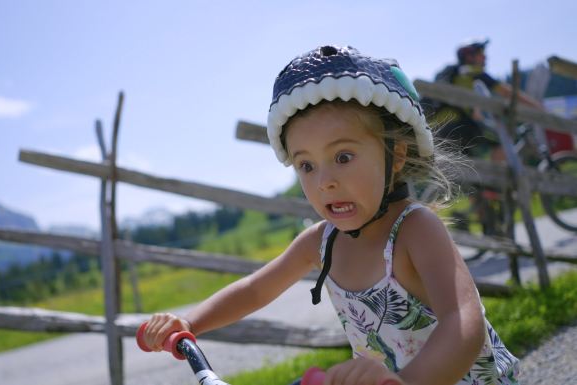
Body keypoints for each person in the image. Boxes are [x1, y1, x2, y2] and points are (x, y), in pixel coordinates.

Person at [142, 45, 520, 384]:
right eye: (306, 166)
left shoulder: (415, 230)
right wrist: (190, 323)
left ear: (396, 156)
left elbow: (464, 324)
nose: (325, 182)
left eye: (343, 157)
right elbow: (255, 289)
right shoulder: (320, 241)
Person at [430, 38, 543, 158]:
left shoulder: (455, 75)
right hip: (459, 125)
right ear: (469, 57)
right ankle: (497, 176)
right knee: (501, 141)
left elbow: (472, 110)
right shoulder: (472, 71)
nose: (485, 57)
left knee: (464, 164)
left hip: (439, 128)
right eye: (481, 54)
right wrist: (537, 106)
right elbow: (507, 92)